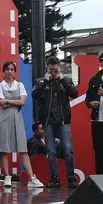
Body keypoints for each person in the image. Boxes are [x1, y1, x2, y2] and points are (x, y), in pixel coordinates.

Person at [0, 61, 44, 188]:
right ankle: (7, 176)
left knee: (22, 148)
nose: (10, 71)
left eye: (12, 69)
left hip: (17, 117)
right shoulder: (0, 86)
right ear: (4, 70)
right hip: (4, 118)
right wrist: (12, 101)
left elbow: (22, 102)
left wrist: (7, 100)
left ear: (15, 71)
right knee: (4, 148)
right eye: (7, 69)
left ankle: (32, 177)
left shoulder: (20, 85)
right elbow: (1, 103)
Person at [32, 56, 79, 188]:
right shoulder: (41, 81)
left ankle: (70, 177)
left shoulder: (66, 80)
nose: (53, 73)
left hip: (63, 120)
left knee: (68, 149)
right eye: (51, 70)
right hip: (48, 120)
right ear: (47, 69)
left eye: (55, 70)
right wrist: (45, 82)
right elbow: (35, 95)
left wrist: (63, 79)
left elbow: (75, 93)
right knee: (51, 150)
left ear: (59, 68)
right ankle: (54, 177)